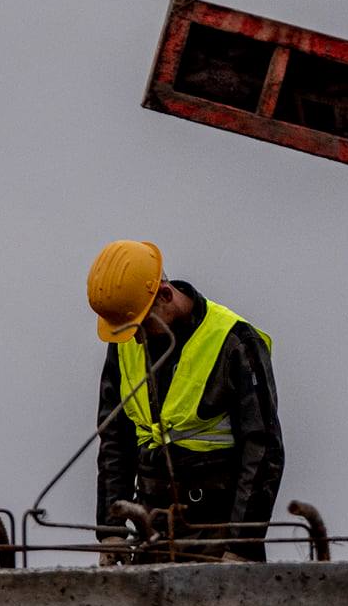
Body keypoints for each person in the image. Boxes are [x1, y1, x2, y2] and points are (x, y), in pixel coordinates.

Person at [85, 240, 284, 562]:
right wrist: (111, 531)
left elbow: (262, 448)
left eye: (141, 326)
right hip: (151, 530)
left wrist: (241, 545)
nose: (135, 338)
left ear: (165, 295)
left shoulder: (234, 341)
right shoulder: (127, 338)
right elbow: (115, 439)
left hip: (215, 530)